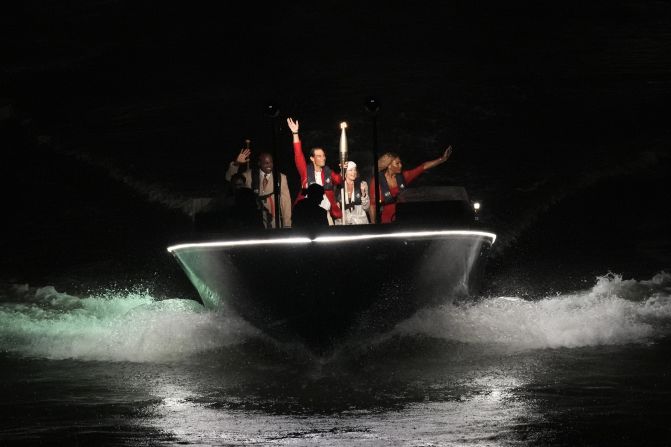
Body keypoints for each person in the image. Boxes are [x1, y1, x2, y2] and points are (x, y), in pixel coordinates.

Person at [369, 146, 453, 223]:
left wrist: (442, 159)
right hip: (387, 222)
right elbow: (372, 206)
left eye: (400, 163)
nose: (401, 165)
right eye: (397, 163)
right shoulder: (377, 181)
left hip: (405, 219)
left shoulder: (404, 176)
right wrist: (373, 225)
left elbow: (423, 167)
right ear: (389, 166)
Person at [286, 117, 343, 225]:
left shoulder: (327, 171)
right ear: (312, 158)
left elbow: (340, 180)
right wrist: (295, 133)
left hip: (324, 214)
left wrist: (343, 170)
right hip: (306, 215)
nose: (323, 158)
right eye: (319, 156)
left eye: (324, 155)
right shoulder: (305, 171)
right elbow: (298, 154)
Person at [225, 147, 292, 228]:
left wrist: (287, 225)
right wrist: (236, 164)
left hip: (274, 223)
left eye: (271, 162)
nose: (269, 166)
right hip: (254, 222)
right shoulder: (250, 175)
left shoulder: (280, 178)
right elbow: (231, 178)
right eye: (266, 163)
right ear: (259, 163)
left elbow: (286, 203)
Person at [335, 161, 370, 225]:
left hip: (360, 222)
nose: (354, 172)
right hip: (344, 223)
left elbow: (366, 208)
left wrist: (363, 194)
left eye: (355, 170)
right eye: (350, 170)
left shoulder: (362, 184)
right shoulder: (339, 187)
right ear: (345, 173)